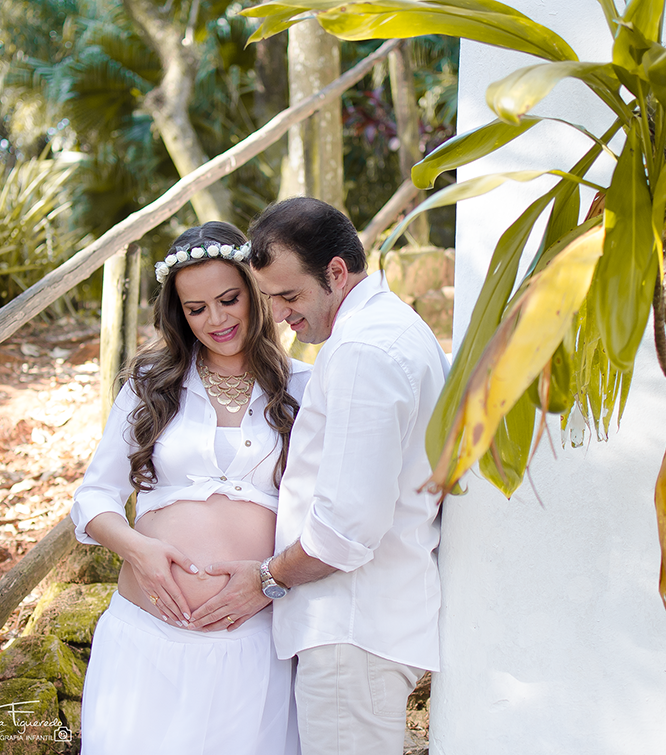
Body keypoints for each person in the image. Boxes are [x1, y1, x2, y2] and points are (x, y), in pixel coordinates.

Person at [192, 197, 449, 755]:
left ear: (336, 271)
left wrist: (265, 579)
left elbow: (345, 529)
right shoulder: (389, 329)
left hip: (350, 631)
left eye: (290, 295)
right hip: (358, 627)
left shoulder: (363, 350)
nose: (280, 314)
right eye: (270, 299)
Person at [70, 221, 309, 755]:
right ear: (179, 313)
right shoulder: (151, 384)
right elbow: (92, 499)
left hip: (255, 645)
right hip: (146, 641)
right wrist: (139, 550)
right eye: (197, 309)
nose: (217, 320)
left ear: (255, 291)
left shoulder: (305, 387)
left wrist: (273, 579)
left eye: (229, 300)